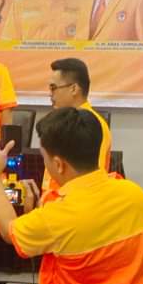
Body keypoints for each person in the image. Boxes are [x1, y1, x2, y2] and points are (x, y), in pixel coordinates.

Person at [0, 108, 143, 284]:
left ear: (59, 164)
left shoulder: (57, 216)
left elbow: (8, 230)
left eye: (44, 159)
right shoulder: (135, 196)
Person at [40, 58, 113, 204]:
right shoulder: (61, 122)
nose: (50, 94)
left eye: (54, 88)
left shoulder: (92, 126)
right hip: (53, 206)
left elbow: (90, 180)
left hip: (74, 207)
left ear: (74, 89)